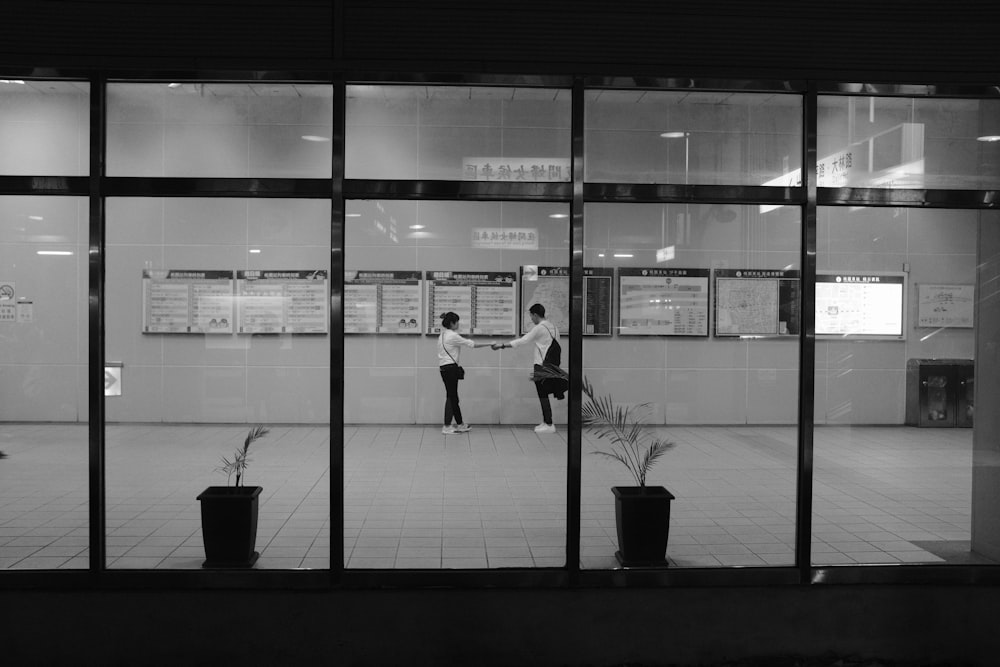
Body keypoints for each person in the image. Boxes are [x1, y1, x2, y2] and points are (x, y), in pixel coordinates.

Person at [492, 303, 562, 433]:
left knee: (543, 394)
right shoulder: (554, 327)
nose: (531, 319)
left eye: (531, 316)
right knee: (544, 393)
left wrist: (502, 345)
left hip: (541, 365)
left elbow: (523, 341)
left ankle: (549, 424)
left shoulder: (540, 328)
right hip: (552, 365)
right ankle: (546, 421)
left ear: (535, 314)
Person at [438, 311, 492, 435]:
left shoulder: (442, 335)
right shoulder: (452, 335)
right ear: (452, 323)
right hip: (451, 369)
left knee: (452, 396)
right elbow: (472, 344)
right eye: (457, 321)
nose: (458, 324)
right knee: (452, 397)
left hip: (444, 368)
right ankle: (447, 426)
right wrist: (490, 343)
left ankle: (460, 424)